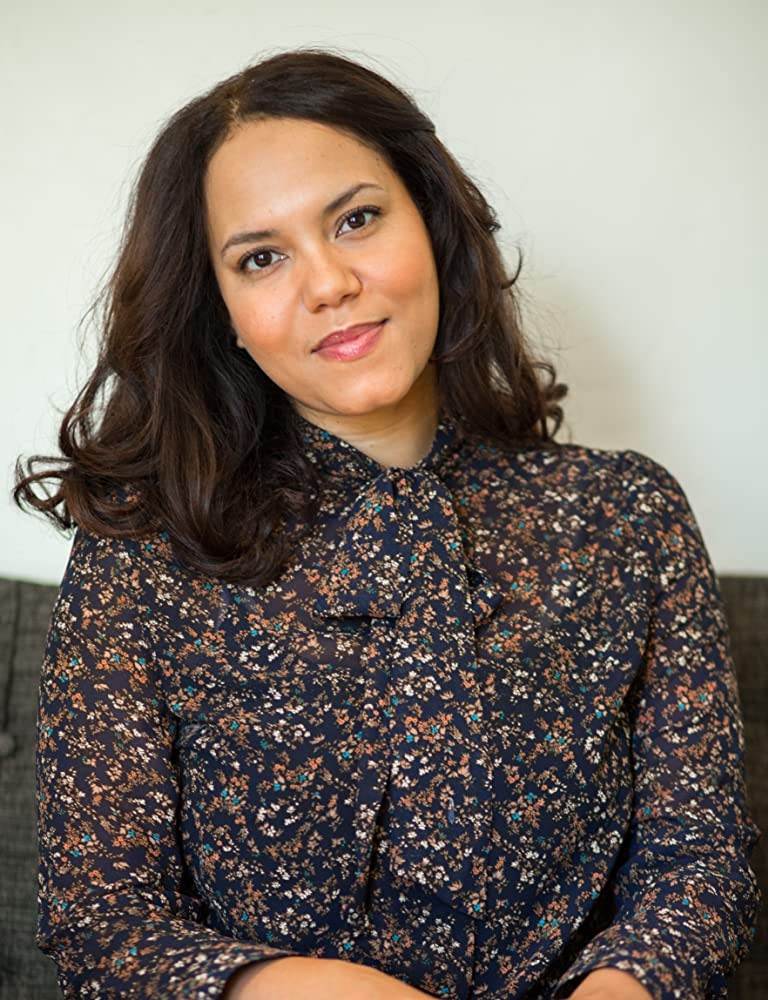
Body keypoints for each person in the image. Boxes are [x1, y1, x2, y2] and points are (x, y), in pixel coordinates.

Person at [15, 47, 761, 1000]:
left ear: (433, 224)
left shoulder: (627, 515)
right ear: (222, 310)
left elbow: (699, 866)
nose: (328, 282)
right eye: (261, 257)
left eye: (356, 219)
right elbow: (101, 920)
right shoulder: (141, 554)